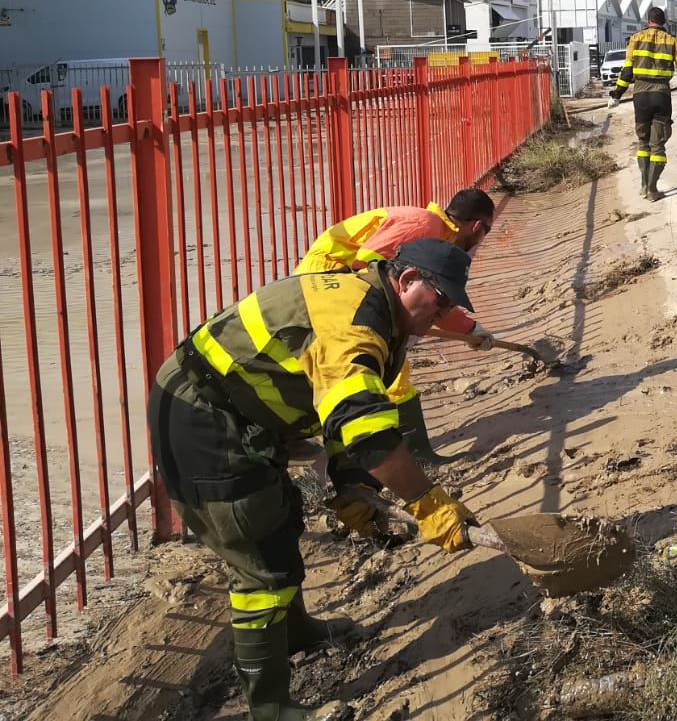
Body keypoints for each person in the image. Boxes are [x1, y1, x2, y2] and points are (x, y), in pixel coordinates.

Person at [148, 238, 479, 721]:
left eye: (452, 304)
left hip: (242, 410)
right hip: (203, 416)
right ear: (407, 281)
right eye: (440, 300)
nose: (443, 313)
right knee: (260, 560)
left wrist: (353, 484)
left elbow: (347, 410)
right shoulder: (355, 326)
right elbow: (372, 439)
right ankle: (271, 707)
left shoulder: (381, 309)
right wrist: (428, 504)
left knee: (280, 516)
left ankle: (296, 630)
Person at [295, 188, 496, 463]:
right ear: (476, 226)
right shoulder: (423, 225)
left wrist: (471, 329)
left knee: (385, 363)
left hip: (349, 282)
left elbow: (433, 297)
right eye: (486, 231)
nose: (481, 240)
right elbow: (364, 266)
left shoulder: (439, 237)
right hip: (330, 277)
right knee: (390, 367)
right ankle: (414, 455)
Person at [608, 5, 677, 201]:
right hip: (662, 94)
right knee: (658, 144)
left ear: (648, 21)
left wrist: (616, 94)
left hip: (641, 95)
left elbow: (627, 72)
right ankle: (653, 189)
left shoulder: (635, 39)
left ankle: (644, 185)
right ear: (663, 22)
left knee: (643, 141)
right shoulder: (674, 41)